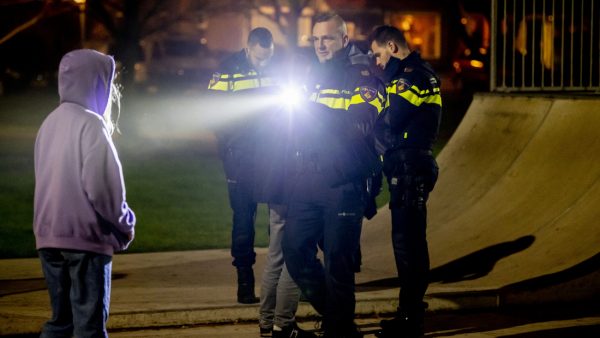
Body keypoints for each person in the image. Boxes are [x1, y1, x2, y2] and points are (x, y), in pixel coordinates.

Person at [281, 12, 385, 338]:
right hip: (307, 178)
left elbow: (360, 124)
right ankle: (339, 320)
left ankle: (339, 330)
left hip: (344, 181)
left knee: (339, 262)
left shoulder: (363, 74)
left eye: (327, 38)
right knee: (295, 250)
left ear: (343, 39)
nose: (320, 45)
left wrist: (315, 114)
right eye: (315, 39)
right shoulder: (312, 74)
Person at [33, 49, 136, 338]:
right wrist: (125, 223)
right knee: (88, 326)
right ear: (96, 83)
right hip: (85, 239)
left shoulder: (48, 123)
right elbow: (102, 188)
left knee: (60, 322)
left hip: (48, 237)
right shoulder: (92, 125)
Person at [368, 25, 442, 338]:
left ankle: (411, 320)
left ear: (392, 47)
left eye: (378, 54)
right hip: (411, 164)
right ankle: (409, 314)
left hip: (409, 166)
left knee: (407, 243)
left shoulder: (409, 77)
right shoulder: (418, 72)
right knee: (409, 241)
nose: (376, 62)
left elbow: (388, 119)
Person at [207, 27, 277, 304]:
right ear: (248, 48)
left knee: (280, 219)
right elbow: (214, 114)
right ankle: (244, 283)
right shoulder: (227, 69)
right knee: (243, 220)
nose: (265, 63)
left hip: (273, 154)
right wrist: (229, 146)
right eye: (260, 58)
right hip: (240, 156)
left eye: (269, 57)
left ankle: (284, 280)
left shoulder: (280, 67)